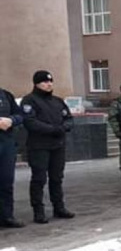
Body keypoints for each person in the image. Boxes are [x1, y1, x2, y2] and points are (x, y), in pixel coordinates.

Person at [21, 70, 76, 223]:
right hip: (39, 146)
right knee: (39, 179)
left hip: (57, 145)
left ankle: (59, 207)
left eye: (51, 81)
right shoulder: (29, 100)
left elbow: (68, 118)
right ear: (37, 84)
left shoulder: (57, 101)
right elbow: (30, 122)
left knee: (57, 178)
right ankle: (38, 211)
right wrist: (53, 129)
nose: (49, 84)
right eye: (45, 82)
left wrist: (65, 127)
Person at [0, 86, 24, 228]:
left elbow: (20, 115)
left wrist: (12, 120)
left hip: (6, 144)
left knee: (6, 181)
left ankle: (7, 216)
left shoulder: (5, 95)